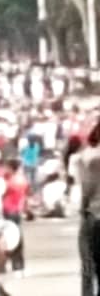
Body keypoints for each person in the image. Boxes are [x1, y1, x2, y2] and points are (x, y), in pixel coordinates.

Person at [79, 120, 100, 296]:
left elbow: (88, 188)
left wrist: (83, 208)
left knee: (88, 264)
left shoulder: (93, 158)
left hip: (95, 214)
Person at [1, 159, 27, 276]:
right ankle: (19, 266)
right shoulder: (21, 179)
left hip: (8, 210)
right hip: (16, 211)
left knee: (8, 238)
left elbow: (3, 193)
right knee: (17, 237)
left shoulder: (10, 182)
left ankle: (8, 265)